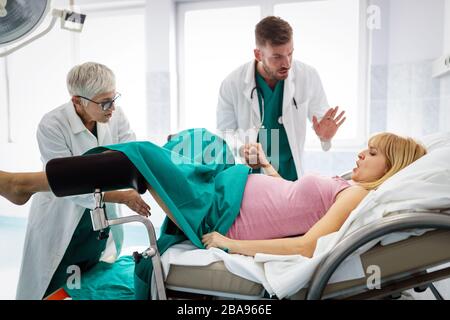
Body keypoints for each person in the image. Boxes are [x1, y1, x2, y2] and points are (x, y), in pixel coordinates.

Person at [1, 131, 426, 265]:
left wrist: (230, 245)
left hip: (222, 211)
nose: (360, 154)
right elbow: (294, 199)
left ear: (390, 167)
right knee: (168, 151)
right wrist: (266, 166)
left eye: (371, 153)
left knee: (143, 155)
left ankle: (23, 185)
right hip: (229, 186)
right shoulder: (348, 183)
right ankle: (30, 184)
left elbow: (308, 244)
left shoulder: (356, 197)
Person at [15, 62, 150, 300]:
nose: (112, 108)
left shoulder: (115, 116)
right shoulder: (52, 124)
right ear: (78, 101)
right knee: (54, 283)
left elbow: (130, 156)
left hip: (97, 217)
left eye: (113, 98)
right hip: (63, 213)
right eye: (104, 102)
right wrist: (120, 194)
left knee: (88, 282)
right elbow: (67, 183)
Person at [217, 16, 346, 181]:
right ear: (258, 54)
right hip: (252, 179)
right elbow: (224, 133)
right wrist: (242, 149)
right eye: (277, 57)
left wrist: (325, 136)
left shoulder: (308, 76)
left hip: (291, 176)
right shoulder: (232, 83)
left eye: (290, 53)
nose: (287, 63)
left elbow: (321, 118)